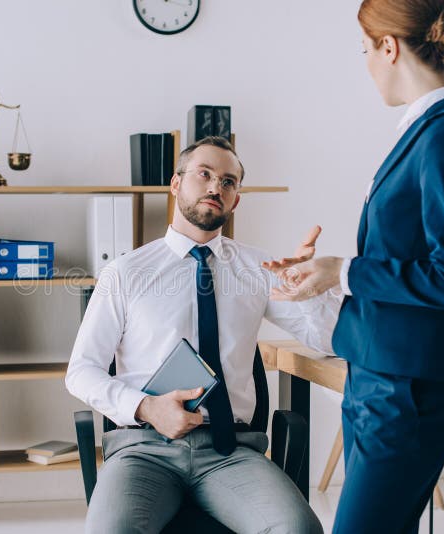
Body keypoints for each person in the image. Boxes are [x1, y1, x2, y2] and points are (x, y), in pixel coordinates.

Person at [264, 1, 444, 532]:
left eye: (365, 49)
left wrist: (343, 270)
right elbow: (407, 260)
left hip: (408, 387)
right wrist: (326, 277)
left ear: (389, 47)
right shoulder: (426, 129)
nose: (366, 62)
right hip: (380, 374)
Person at [66, 136, 340, 534]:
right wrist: (146, 407)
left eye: (228, 182)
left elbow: (328, 341)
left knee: (298, 529)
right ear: (176, 184)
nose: (216, 187)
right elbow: (81, 371)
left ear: (235, 201)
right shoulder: (125, 274)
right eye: (204, 174)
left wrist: (311, 290)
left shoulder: (259, 269)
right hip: (145, 449)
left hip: (230, 451)